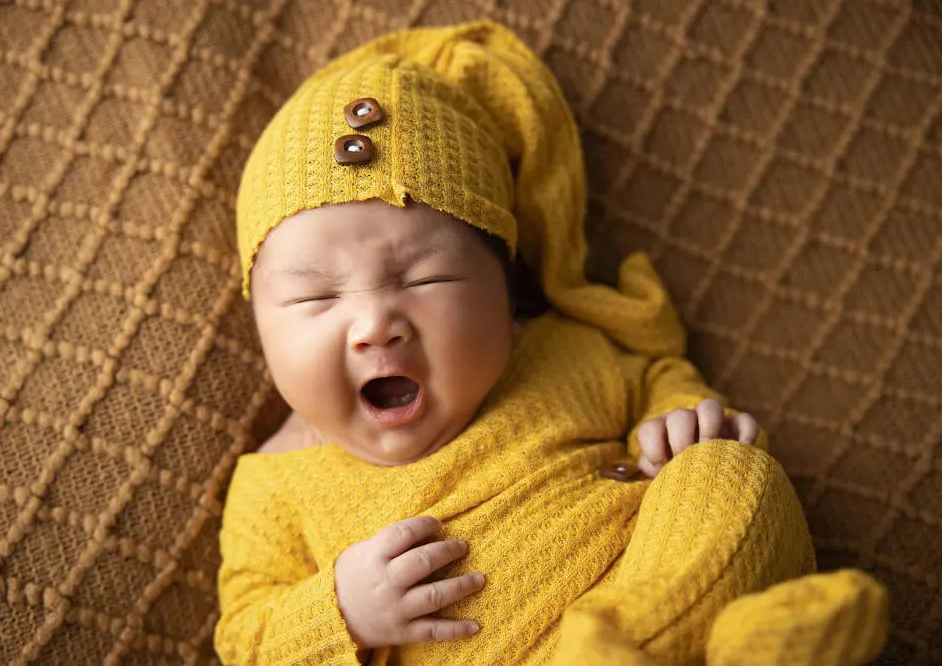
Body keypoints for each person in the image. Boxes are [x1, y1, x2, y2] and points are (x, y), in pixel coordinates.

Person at [214, 20, 887, 666]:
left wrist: (679, 420)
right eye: (315, 298)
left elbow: (658, 376)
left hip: (645, 598)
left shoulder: (567, 353)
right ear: (261, 321)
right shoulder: (274, 484)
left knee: (732, 470)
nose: (374, 325)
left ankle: (689, 647)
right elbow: (244, 635)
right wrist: (341, 612)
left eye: (425, 277)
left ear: (504, 288)